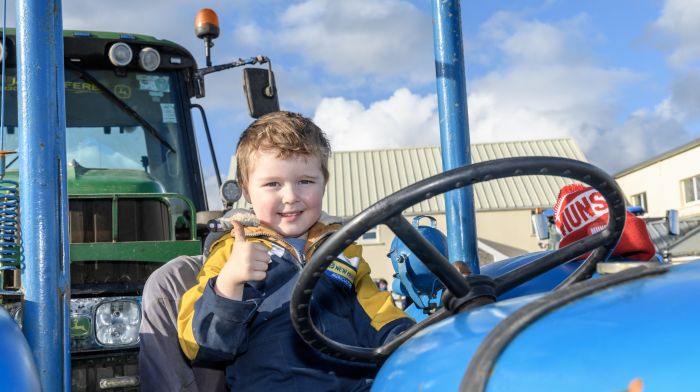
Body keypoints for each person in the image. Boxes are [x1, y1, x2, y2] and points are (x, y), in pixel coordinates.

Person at [177, 111, 415, 391]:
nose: (290, 196)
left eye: (305, 181)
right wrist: (230, 284)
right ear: (246, 190)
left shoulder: (342, 251)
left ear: (323, 183)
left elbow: (377, 313)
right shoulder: (232, 251)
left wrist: (411, 339)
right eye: (272, 184)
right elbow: (200, 345)